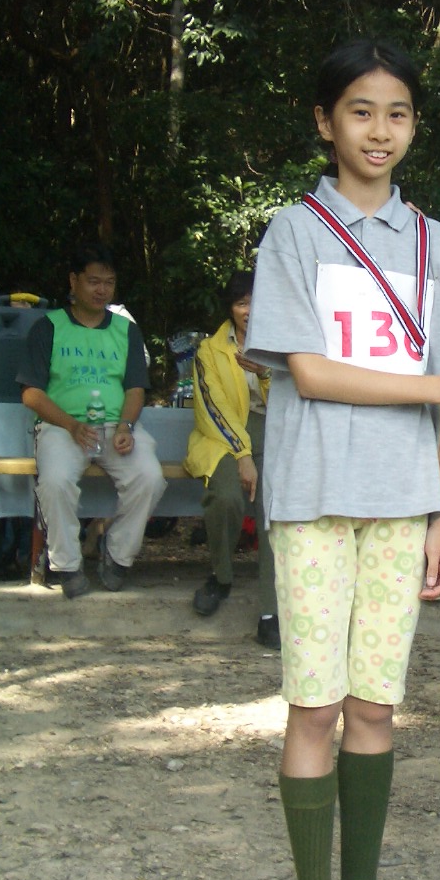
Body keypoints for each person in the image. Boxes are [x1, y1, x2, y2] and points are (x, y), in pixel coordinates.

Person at [244, 38, 440, 880]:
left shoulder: (437, 247)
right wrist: (436, 387)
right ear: (324, 121)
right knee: (315, 704)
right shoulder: (293, 234)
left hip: (401, 504)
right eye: (359, 111)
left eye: (397, 113)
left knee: (376, 707)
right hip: (313, 498)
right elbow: (309, 372)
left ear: (414, 126)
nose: (379, 131)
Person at [18, 243, 166, 598]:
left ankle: (118, 556)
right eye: (93, 281)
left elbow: (135, 389)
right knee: (55, 482)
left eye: (109, 283)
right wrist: (71, 425)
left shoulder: (125, 330)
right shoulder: (48, 327)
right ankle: (67, 565)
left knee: (149, 477)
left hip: (115, 427)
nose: (102, 290)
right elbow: (31, 394)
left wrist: (125, 426)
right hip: (63, 427)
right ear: (74, 281)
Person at [184, 269, 278, 644]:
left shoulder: (281, 345)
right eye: (242, 303)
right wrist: (243, 453)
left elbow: (294, 397)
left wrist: (267, 373)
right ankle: (221, 577)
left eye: (256, 301)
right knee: (226, 497)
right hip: (222, 436)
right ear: (231, 308)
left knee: (273, 506)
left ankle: (271, 610)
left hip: (273, 432)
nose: (250, 310)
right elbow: (214, 408)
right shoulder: (210, 350)